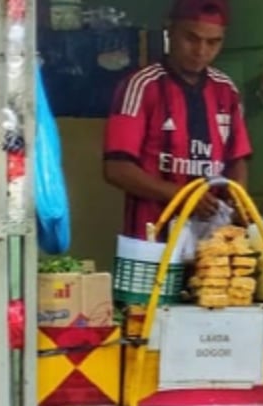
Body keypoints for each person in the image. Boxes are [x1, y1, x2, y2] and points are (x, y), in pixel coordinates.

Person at [102, 0, 251, 240]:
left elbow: (237, 160)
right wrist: (182, 195)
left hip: (213, 242)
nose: (201, 51)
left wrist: (238, 198)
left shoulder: (226, 91)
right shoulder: (141, 86)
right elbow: (116, 169)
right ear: (169, 31)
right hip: (151, 241)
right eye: (191, 38)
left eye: (213, 42)